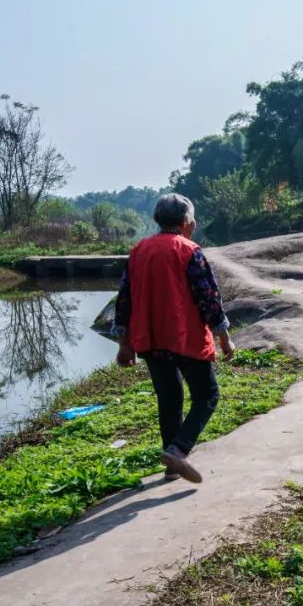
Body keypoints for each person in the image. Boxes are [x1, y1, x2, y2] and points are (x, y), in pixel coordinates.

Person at [113, 194, 234, 484]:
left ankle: (171, 463)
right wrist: (225, 337)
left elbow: (124, 300)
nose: (194, 223)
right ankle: (178, 451)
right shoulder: (188, 250)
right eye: (192, 218)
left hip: (151, 340)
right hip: (184, 337)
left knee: (169, 399)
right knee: (207, 396)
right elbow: (209, 299)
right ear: (185, 222)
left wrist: (124, 343)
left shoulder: (139, 250)